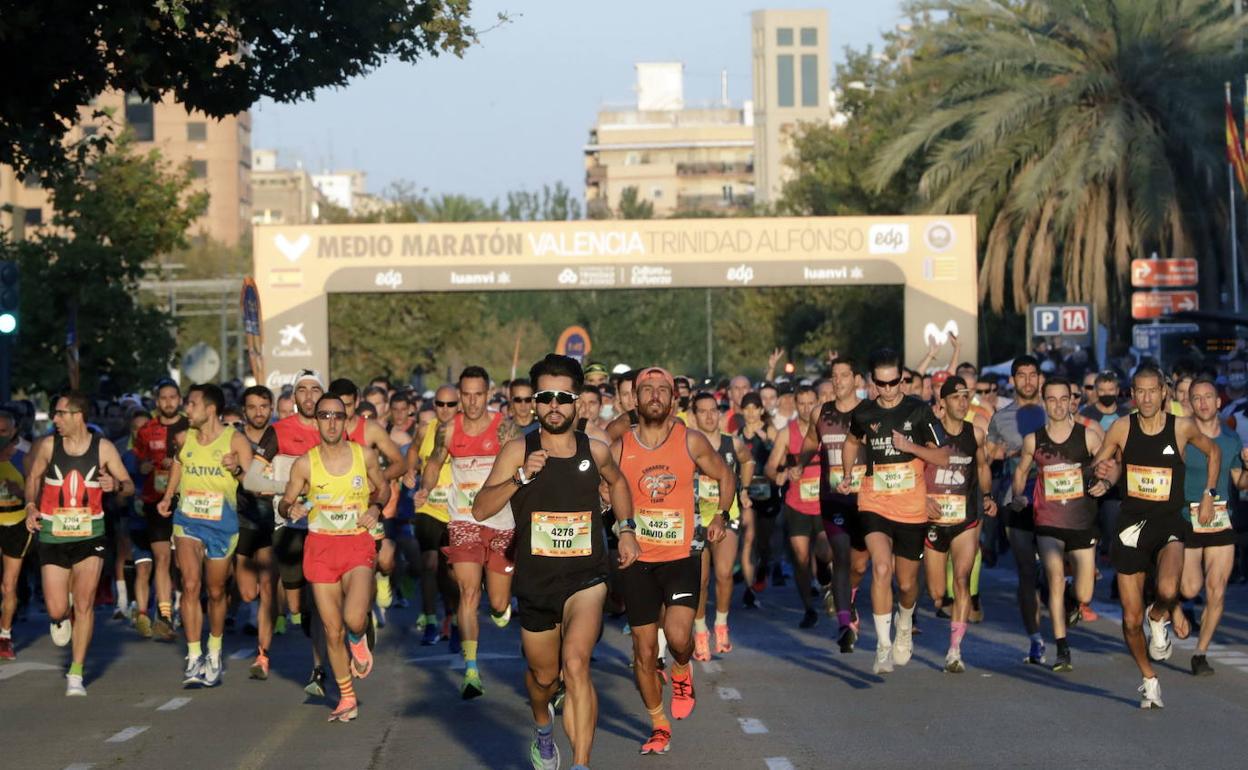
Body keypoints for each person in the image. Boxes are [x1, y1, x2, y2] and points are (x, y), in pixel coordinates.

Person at [474, 354, 639, 770]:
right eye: (544, 397)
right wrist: (519, 478)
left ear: (577, 401)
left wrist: (627, 529)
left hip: (587, 577)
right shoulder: (518, 449)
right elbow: (479, 509)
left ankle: (581, 763)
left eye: (562, 398)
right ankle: (544, 729)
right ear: (534, 401)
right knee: (544, 679)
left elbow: (618, 483)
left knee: (576, 663)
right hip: (536, 582)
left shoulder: (595, 450)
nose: (553, 406)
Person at [615, 366, 733, 756]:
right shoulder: (620, 445)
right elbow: (601, 479)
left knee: (680, 637)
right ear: (633, 398)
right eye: (645, 389)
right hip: (637, 560)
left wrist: (721, 515)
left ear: (673, 399)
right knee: (644, 651)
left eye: (661, 390)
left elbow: (725, 475)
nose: (653, 395)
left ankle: (682, 669)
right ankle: (658, 724)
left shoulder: (691, 440)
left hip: (682, 554)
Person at [1088, 363, 1220, 708]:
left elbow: (1214, 452)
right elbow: (1100, 466)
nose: (1146, 398)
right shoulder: (1121, 427)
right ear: (1132, 395)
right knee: (1130, 621)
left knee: (1167, 589)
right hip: (1131, 524)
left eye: (1153, 391)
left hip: (1167, 522)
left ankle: (1159, 613)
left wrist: (1208, 494)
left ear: (1164, 392)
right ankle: (1148, 677)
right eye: (1140, 391)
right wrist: (1101, 476)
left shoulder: (1182, 428)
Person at [838, 349, 950, 675]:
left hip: (911, 506)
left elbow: (943, 456)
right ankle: (883, 645)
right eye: (881, 384)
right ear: (872, 382)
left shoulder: (918, 409)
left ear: (903, 379)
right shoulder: (864, 412)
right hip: (874, 501)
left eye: (894, 383)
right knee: (881, 568)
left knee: (906, 585)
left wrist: (910, 446)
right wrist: (848, 474)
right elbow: (850, 442)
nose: (888, 390)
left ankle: (904, 623)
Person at [280, 393, 390, 722]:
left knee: (354, 618)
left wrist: (374, 506)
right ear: (316, 421)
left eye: (337, 416)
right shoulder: (305, 463)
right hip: (320, 547)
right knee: (330, 629)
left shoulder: (364, 455)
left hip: (356, 543)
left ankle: (359, 638)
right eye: (324, 416)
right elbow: (285, 503)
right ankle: (346, 697)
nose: (331, 422)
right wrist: (292, 508)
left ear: (346, 420)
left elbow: (383, 488)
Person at [24, 391, 135, 695]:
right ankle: (61, 616)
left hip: (90, 534)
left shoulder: (104, 448)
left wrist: (116, 485)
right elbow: (32, 478)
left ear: (78, 415)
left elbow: (129, 485)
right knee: (58, 608)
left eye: (60, 413)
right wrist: (31, 507)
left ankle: (76, 674)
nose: (55, 419)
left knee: (84, 603)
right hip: (53, 535)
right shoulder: (48, 446)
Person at [417, 366, 515, 699]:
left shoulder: (504, 428)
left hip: (501, 522)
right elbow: (433, 463)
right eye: (466, 395)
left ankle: (501, 608)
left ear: (488, 394)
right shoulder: (448, 430)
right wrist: (425, 488)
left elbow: (520, 465)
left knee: (498, 601)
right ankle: (471, 669)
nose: (472, 402)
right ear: (460, 395)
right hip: (463, 521)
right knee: (468, 592)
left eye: (478, 395)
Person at [156, 384, 253, 688]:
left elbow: (252, 481)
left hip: (221, 523)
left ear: (210, 409)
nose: (187, 409)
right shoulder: (184, 438)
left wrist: (236, 468)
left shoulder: (235, 440)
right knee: (189, 583)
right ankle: (194, 654)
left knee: (215, 591)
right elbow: (179, 466)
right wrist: (168, 496)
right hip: (187, 520)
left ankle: (214, 649)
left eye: (192, 404)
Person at [1011, 377, 1102, 672]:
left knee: (1085, 593)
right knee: (1055, 579)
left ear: (1072, 401)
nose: (1059, 405)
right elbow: (1022, 471)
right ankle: (1062, 648)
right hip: (1047, 520)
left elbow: (1108, 463)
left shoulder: (1087, 437)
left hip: (1081, 522)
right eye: (1052, 400)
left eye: (1065, 399)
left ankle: (1075, 603)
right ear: (1043, 401)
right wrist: (1017, 496)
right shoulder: (1033, 440)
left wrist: (1103, 481)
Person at [1175, 377, 1247, 676]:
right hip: (1185, 517)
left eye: (1208, 397)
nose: (1203, 402)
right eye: (1197, 398)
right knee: (1189, 588)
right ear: (1189, 404)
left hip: (1220, 519)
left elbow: (1239, 484)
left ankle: (1200, 652)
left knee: (1216, 590)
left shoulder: (1231, 439)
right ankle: (1169, 601)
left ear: (1219, 402)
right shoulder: (1180, 435)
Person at [922, 377, 994, 672]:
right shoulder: (929, 434)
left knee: (962, 578)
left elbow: (982, 467)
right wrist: (922, 500)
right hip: (935, 519)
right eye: (956, 398)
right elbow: (915, 469)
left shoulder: (975, 433)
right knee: (938, 594)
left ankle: (955, 650)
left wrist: (987, 496)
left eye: (966, 397)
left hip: (965, 517)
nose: (962, 403)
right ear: (943, 403)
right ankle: (943, 610)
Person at [986, 355, 1047, 663]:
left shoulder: (1056, 411)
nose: (1027, 380)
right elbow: (989, 455)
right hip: (1018, 498)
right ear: (1012, 381)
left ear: (1040, 378)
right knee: (1025, 572)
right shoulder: (1001, 418)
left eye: (1032, 374)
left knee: (1058, 565)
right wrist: (1000, 452)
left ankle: (1065, 588)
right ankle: (1035, 638)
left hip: (1056, 497)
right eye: (1020, 375)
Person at [687, 392, 749, 659]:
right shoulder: (687, 444)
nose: (710, 416)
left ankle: (721, 624)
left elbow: (747, 460)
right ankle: (700, 631)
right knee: (700, 581)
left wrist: (743, 488)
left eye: (714, 410)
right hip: (696, 517)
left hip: (726, 514)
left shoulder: (731, 443)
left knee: (724, 573)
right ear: (693, 415)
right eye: (703, 411)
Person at [766, 384, 830, 629]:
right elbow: (770, 466)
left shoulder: (827, 430)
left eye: (810, 403)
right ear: (795, 404)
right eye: (801, 403)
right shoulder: (786, 433)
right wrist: (778, 474)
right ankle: (808, 608)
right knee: (801, 559)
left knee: (825, 551)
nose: (806, 408)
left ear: (818, 402)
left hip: (824, 503)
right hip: (797, 504)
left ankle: (824, 573)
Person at [405, 384, 460, 647]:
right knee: (429, 564)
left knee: (450, 571)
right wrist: (410, 470)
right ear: (434, 405)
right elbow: (413, 450)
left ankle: (454, 616)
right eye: (440, 404)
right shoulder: (425, 430)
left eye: (451, 405)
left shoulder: (463, 432)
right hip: (428, 506)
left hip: (457, 511)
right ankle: (429, 620)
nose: (445, 410)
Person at [132, 378, 187, 641]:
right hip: (156, 502)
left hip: (188, 501)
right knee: (162, 558)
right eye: (163, 398)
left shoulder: (191, 427)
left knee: (185, 563)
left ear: (180, 399)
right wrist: (144, 468)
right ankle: (165, 616)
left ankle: (186, 607)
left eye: (172, 397)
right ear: (157, 402)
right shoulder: (146, 430)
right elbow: (138, 462)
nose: (168, 402)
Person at [236, 385, 281, 679]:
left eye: (264, 406)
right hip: (241, 519)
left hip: (271, 520)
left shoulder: (279, 438)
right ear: (244, 411)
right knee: (248, 593)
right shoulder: (233, 440)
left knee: (267, 589)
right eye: (252, 407)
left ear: (272, 408)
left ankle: (262, 655)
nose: (258, 412)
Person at [737, 392, 778, 608]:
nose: (751, 413)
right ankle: (749, 588)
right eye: (747, 408)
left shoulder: (769, 430)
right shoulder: (737, 435)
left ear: (761, 410)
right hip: (746, 493)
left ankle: (763, 567)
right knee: (749, 539)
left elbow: (778, 457)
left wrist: (766, 440)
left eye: (755, 408)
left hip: (767, 492)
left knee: (764, 542)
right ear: (742, 411)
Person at [0, 411, 27, 660]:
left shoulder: (23, 460)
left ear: (13, 433)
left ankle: (5, 636)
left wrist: (22, 491)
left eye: (3, 432)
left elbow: (37, 494)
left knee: (9, 584)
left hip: (16, 523)